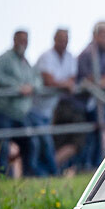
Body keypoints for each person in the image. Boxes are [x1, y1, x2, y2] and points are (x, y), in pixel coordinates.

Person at [0, 30, 43, 176]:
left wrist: (32, 87)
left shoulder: (26, 63)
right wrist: (16, 87)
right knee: (2, 146)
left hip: (18, 113)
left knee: (30, 142)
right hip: (1, 110)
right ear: (14, 40)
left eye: (26, 39)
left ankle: (29, 176)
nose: (23, 42)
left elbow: (37, 79)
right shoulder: (5, 58)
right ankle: (1, 177)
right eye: (21, 39)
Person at [29, 28, 77, 176]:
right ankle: (52, 173)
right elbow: (49, 81)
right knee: (41, 143)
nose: (63, 43)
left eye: (66, 40)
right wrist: (64, 85)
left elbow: (71, 80)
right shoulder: (46, 57)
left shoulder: (70, 57)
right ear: (54, 39)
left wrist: (62, 84)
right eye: (61, 39)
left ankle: (45, 174)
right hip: (34, 108)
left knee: (43, 143)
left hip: (50, 109)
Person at [77, 22, 105, 168]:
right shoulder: (88, 53)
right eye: (104, 36)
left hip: (99, 100)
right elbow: (85, 78)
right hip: (88, 102)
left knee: (99, 133)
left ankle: (99, 165)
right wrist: (100, 81)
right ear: (95, 36)